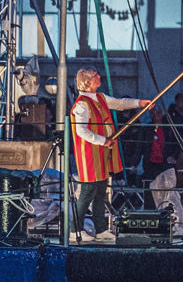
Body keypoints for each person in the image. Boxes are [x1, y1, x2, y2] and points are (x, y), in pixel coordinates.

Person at [69, 69, 150, 242]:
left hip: (101, 152)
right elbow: (81, 130)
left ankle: (101, 229)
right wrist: (102, 140)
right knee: (88, 191)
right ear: (87, 82)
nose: (99, 77)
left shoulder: (100, 98)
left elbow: (120, 103)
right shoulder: (82, 105)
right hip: (89, 153)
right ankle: (74, 229)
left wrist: (140, 103)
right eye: (95, 75)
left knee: (100, 191)